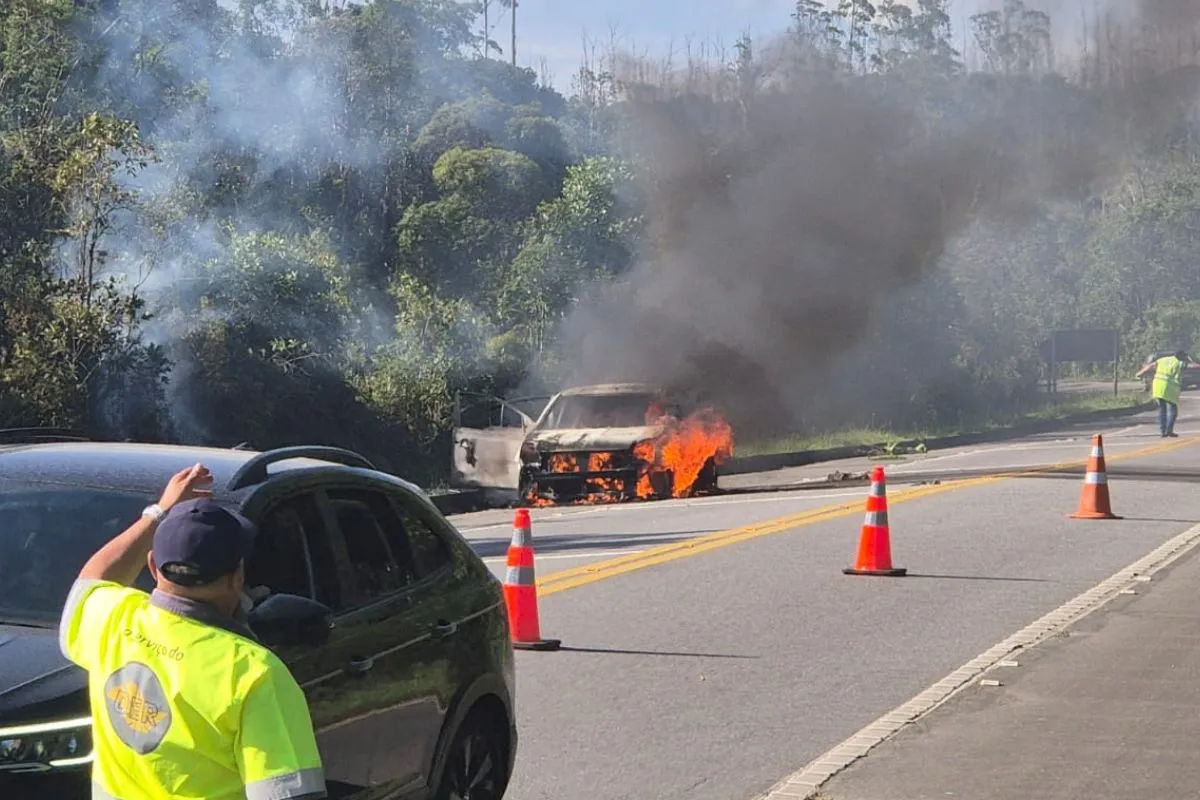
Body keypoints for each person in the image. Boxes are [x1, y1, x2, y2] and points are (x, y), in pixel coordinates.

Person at [58, 463, 327, 800]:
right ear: (236, 577)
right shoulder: (253, 673)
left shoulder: (114, 618)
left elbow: (95, 577)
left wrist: (159, 512)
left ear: (154, 566)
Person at [1136, 350, 1199, 437]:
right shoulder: (1179, 363)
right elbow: (1192, 366)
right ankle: (1169, 430)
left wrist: (1140, 373)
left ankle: (1162, 432)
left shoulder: (1163, 359)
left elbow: (1150, 365)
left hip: (1157, 387)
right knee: (1173, 411)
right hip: (1169, 389)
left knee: (1162, 410)